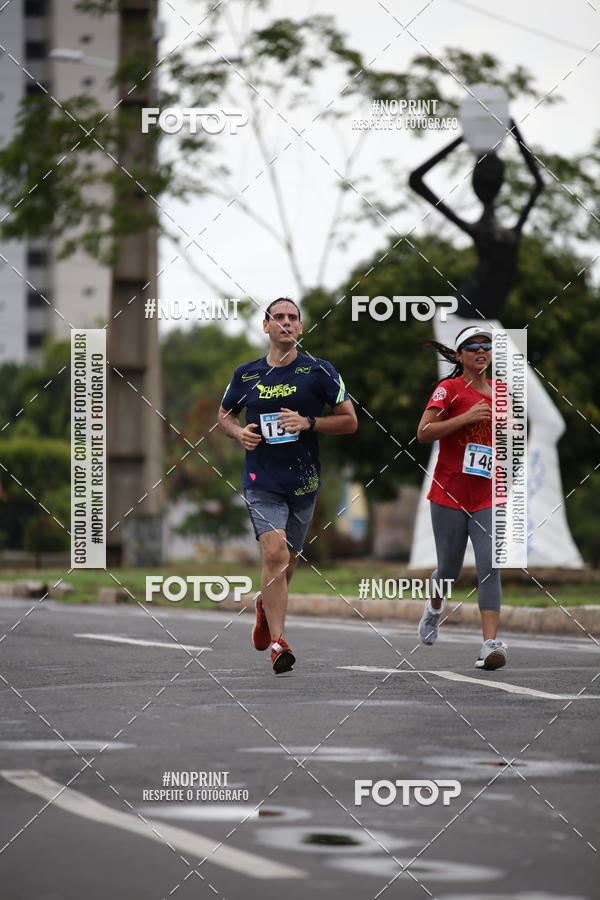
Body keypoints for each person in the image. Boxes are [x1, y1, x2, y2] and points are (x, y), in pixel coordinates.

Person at [218, 298, 357, 674]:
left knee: (288, 563)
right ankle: (279, 643)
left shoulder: (319, 372)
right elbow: (225, 413)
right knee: (275, 555)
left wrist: (309, 423)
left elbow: (349, 421)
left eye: (292, 318)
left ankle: (264, 605)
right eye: (277, 317)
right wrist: (237, 433)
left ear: (299, 327)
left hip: (304, 482)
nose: (285, 323)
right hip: (260, 481)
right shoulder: (246, 374)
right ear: (265, 326)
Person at [416, 326, 508, 670]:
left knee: (489, 567)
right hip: (449, 494)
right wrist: (465, 417)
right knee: (450, 570)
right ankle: (435, 607)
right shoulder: (448, 389)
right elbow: (423, 433)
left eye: (486, 345)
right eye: (472, 347)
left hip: (486, 496)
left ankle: (489, 645)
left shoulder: (501, 392)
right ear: (459, 356)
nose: (481, 350)